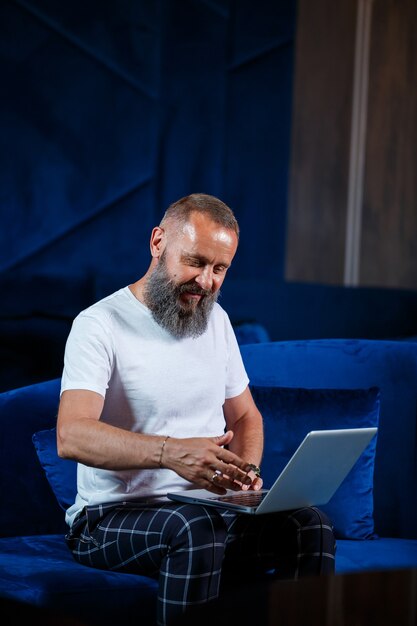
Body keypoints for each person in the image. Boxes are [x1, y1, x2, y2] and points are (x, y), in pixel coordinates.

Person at [57, 193, 336, 626]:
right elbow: (71, 434)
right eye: (195, 262)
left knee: (310, 524)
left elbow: (246, 417)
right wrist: (171, 453)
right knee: (195, 529)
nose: (206, 282)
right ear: (157, 242)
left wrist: (242, 476)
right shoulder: (98, 325)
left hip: (208, 510)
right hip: (109, 518)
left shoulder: (216, 321)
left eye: (219, 268)